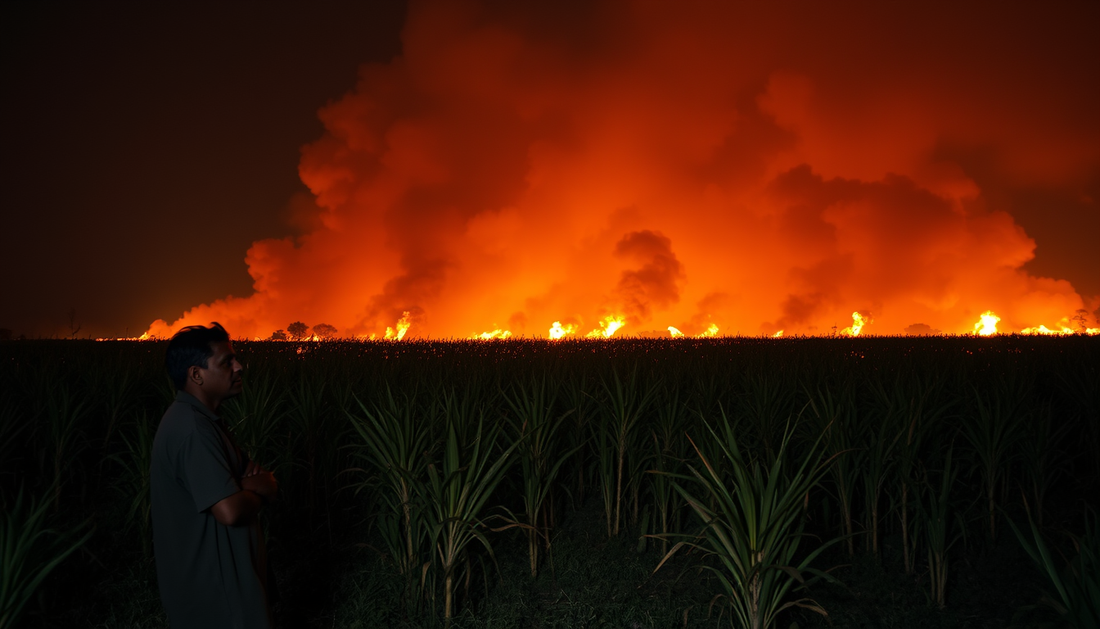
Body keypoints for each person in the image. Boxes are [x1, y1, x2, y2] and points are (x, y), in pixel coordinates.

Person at [151, 322, 278, 628]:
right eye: (226, 362)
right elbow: (230, 510)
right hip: (217, 595)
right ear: (196, 374)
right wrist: (265, 486)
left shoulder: (201, 421)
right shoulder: (193, 429)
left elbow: (236, 488)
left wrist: (243, 486)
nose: (239, 367)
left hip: (222, 585)